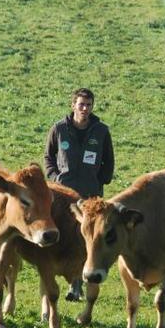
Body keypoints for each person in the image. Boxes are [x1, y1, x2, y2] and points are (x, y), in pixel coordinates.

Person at [44, 88, 114, 300]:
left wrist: (99, 180)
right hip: (63, 196)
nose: (84, 108)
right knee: (62, 236)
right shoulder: (59, 129)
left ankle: (76, 284)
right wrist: (55, 178)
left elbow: (108, 162)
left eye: (88, 105)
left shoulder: (101, 131)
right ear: (73, 105)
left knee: (86, 242)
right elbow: (48, 157)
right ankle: (50, 276)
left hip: (89, 198)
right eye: (81, 104)